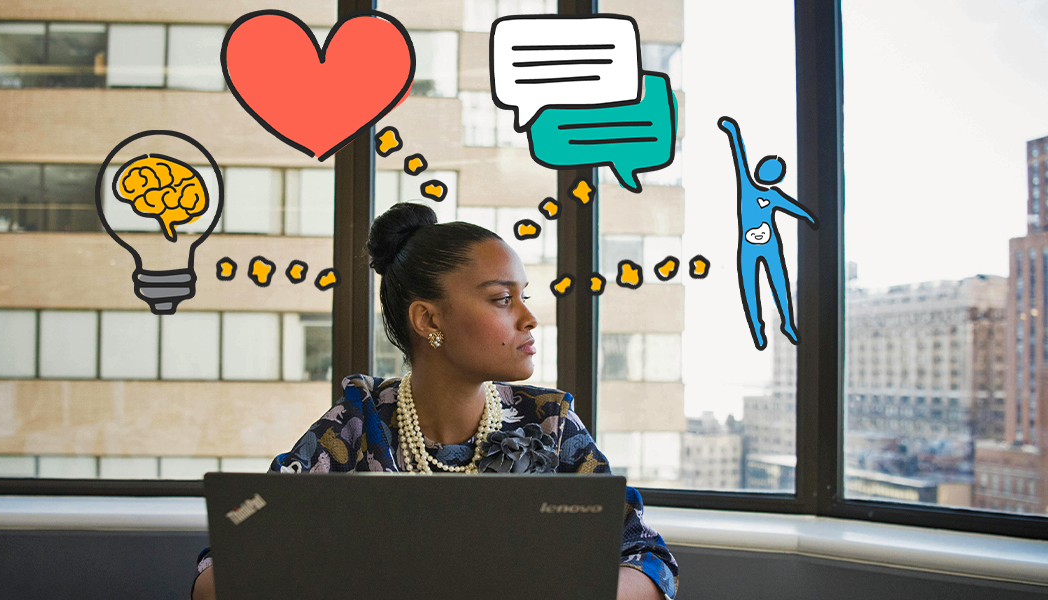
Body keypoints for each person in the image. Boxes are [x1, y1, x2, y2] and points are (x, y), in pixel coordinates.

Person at [192, 202, 679, 600]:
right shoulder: (358, 421)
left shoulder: (550, 423)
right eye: (502, 299)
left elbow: (651, 561)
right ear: (429, 321)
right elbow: (219, 570)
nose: (529, 318)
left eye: (522, 296)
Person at [717, 115, 818, 351]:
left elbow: (795, 208)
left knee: (778, 282)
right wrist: (732, 131)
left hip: (770, 245)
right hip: (749, 247)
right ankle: (757, 328)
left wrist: (811, 218)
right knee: (750, 287)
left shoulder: (775, 196)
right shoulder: (748, 186)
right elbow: (739, 157)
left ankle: (787, 323)